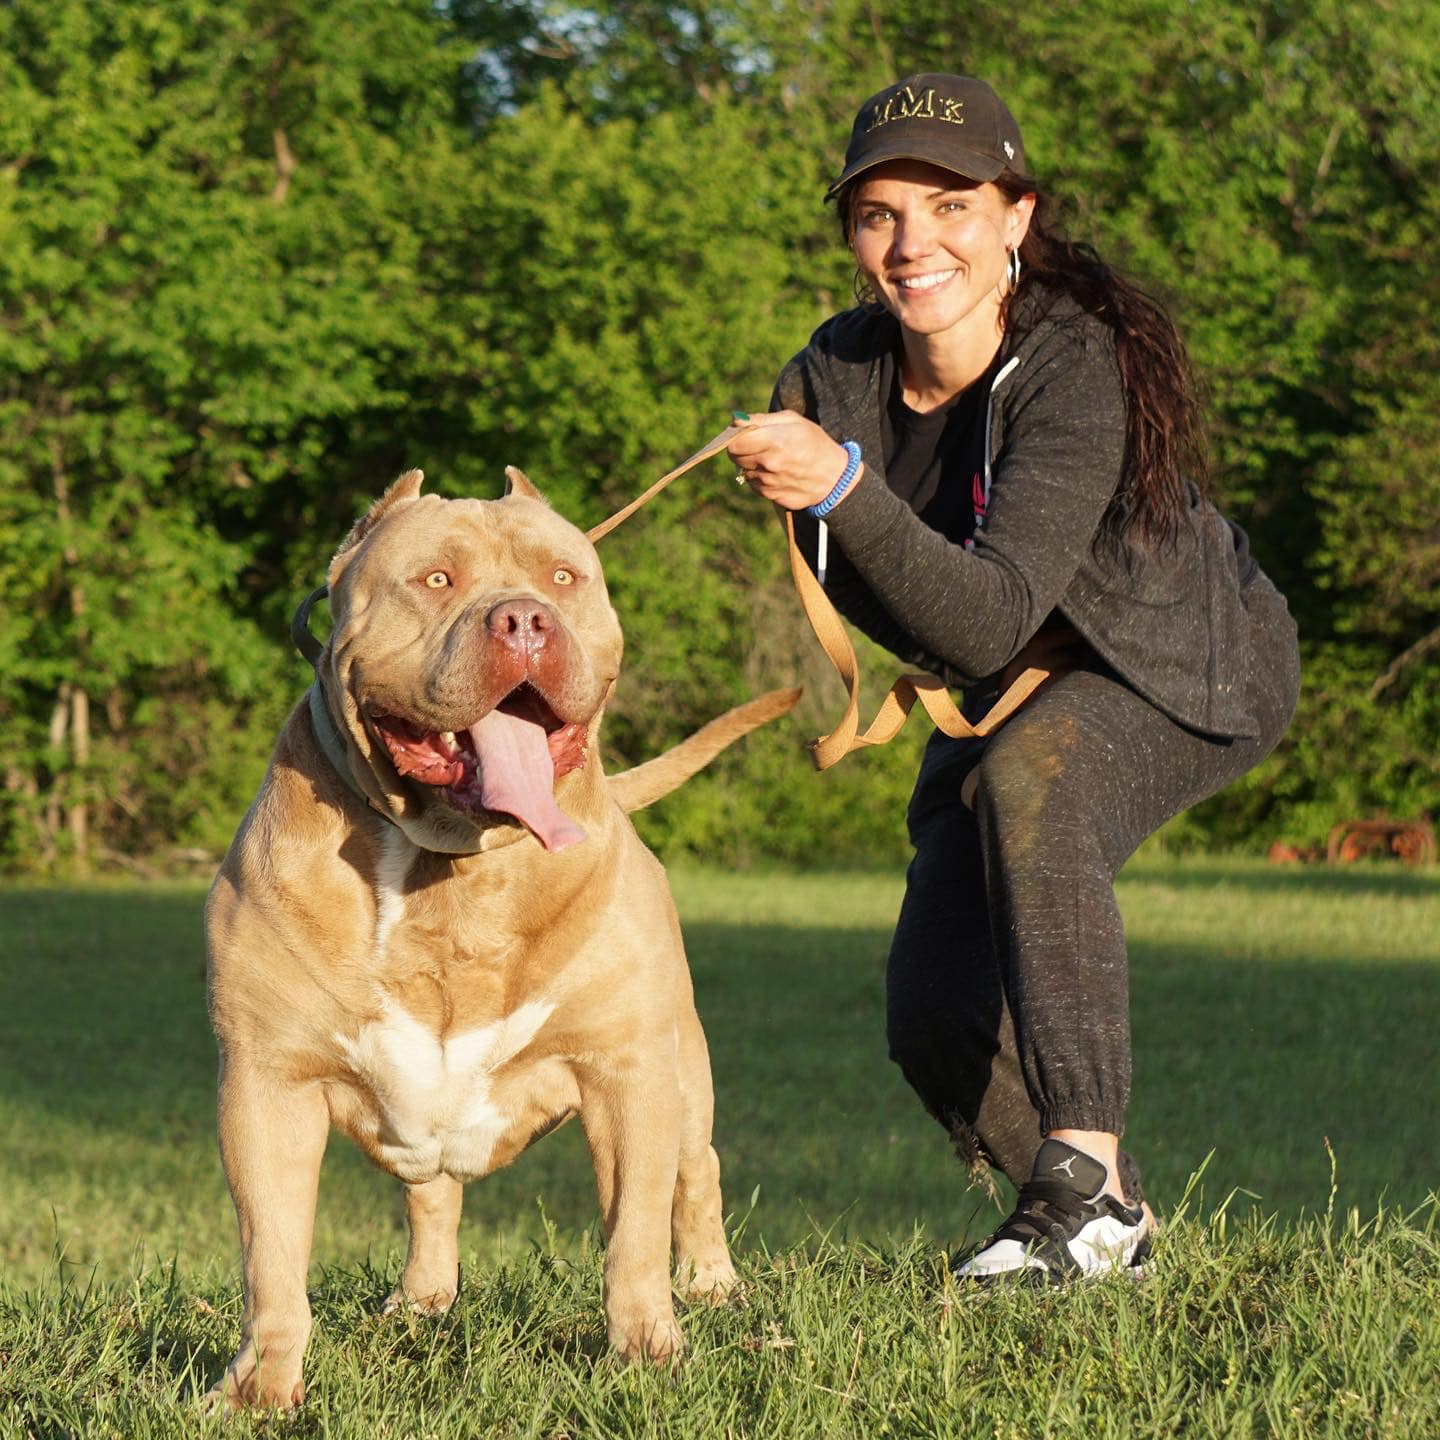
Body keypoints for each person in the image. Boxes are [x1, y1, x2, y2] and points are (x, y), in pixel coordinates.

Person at [727, 73, 1300, 1282]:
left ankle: (1080, 1181)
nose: (912, 242)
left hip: (1180, 662)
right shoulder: (834, 376)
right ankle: (1114, 1233)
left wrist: (844, 492)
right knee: (933, 1015)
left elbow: (984, 618)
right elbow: (924, 613)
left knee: (1032, 785)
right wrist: (826, 486)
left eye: (950, 207)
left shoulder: (1069, 365)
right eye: (879, 213)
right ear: (850, 234)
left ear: (1015, 217)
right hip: (1007, 682)